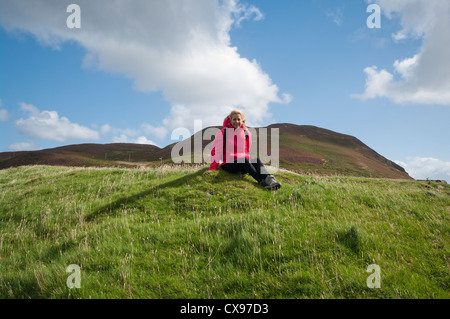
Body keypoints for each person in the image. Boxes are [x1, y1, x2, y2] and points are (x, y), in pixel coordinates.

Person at [203, 110, 281, 190]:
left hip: (244, 164)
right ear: (230, 120)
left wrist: (249, 165)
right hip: (229, 165)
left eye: (238, 119)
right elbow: (216, 151)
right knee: (244, 160)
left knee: (256, 160)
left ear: (242, 121)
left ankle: (271, 181)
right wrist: (213, 168)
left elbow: (246, 150)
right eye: (234, 119)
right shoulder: (223, 133)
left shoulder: (246, 133)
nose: (236, 121)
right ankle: (262, 182)